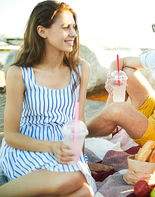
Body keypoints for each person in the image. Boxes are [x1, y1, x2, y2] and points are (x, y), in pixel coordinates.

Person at [0, 1, 97, 196]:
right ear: (42, 31)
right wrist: (52, 146)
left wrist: (83, 158)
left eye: (74, 27)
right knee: (76, 179)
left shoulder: (81, 69)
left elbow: (79, 121)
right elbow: (10, 135)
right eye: (65, 28)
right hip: (28, 147)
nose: (74, 34)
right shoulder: (19, 73)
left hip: (65, 149)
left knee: (85, 192)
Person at [87, 2, 155, 154]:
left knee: (119, 109)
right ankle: (107, 119)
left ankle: (76, 135)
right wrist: (113, 78)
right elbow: (119, 62)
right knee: (126, 72)